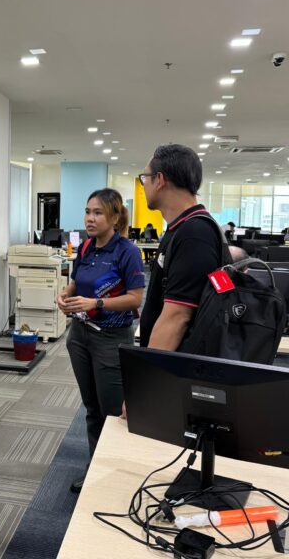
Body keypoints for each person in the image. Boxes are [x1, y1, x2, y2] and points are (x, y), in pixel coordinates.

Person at [57, 188, 145, 493]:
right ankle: (95, 467)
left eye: (97, 213)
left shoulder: (127, 252)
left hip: (111, 337)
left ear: (115, 217)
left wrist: (97, 304)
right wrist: (66, 295)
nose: (89, 218)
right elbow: (75, 281)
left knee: (112, 412)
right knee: (91, 408)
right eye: (87, 211)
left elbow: (135, 298)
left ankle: (118, 475)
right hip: (80, 336)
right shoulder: (86, 248)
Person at [137, 144, 224, 351]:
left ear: (159, 180)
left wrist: (150, 375)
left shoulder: (195, 233)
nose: (144, 185)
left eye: (145, 178)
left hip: (177, 369)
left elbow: (177, 318)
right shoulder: (181, 228)